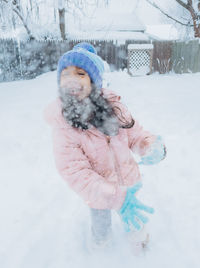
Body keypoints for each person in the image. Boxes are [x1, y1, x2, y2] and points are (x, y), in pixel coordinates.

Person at [43, 42, 166, 254]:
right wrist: (113, 195)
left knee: (134, 220)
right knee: (101, 229)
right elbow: (75, 172)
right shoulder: (64, 125)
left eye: (80, 73)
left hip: (128, 184)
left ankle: (142, 248)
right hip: (99, 193)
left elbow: (135, 134)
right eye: (65, 74)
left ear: (94, 81)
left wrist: (150, 146)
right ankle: (101, 252)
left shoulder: (114, 108)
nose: (71, 78)